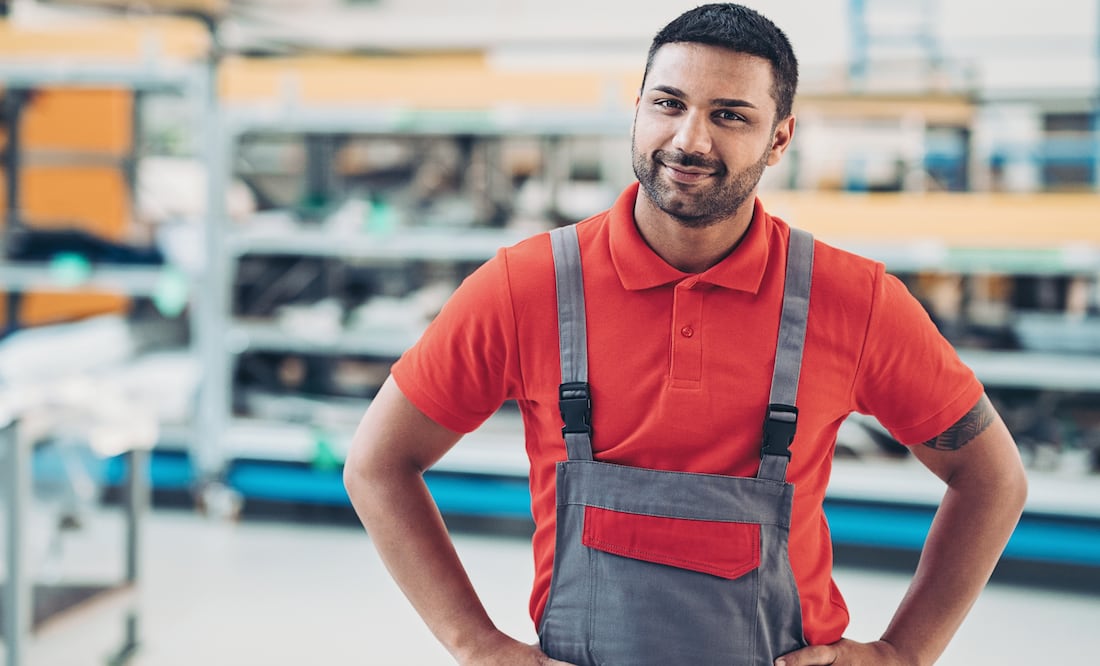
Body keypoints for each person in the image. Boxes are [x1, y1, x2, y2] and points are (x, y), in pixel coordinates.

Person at [343, 4, 1028, 665]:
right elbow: (378, 464)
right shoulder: (527, 287)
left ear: (780, 138)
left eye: (729, 115)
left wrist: (905, 653)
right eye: (669, 104)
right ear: (637, 109)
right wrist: (478, 647)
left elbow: (992, 477)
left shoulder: (854, 300)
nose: (689, 140)